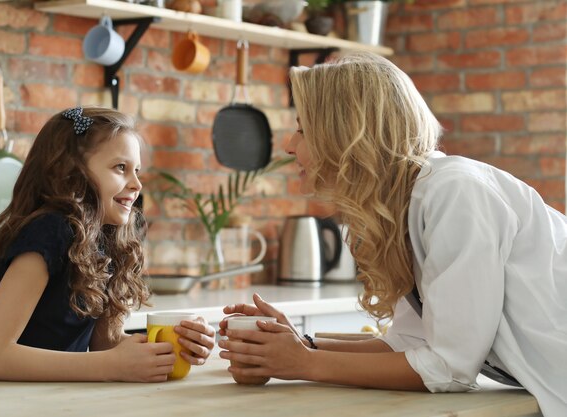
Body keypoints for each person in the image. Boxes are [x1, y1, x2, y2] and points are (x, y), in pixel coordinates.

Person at [217, 53, 566, 416]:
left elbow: (449, 367)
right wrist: (300, 343)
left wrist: (302, 362)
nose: (290, 145)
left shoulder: (454, 193)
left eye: (303, 129)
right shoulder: (404, 206)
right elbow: (409, 345)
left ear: (346, 133)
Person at [0, 106, 215, 382]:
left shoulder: (108, 238)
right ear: (72, 173)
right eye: (121, 168)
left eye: (137, 170)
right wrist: (112, 366)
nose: (137, 184)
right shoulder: (50, 231)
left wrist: (174, 346)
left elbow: (104, 344)